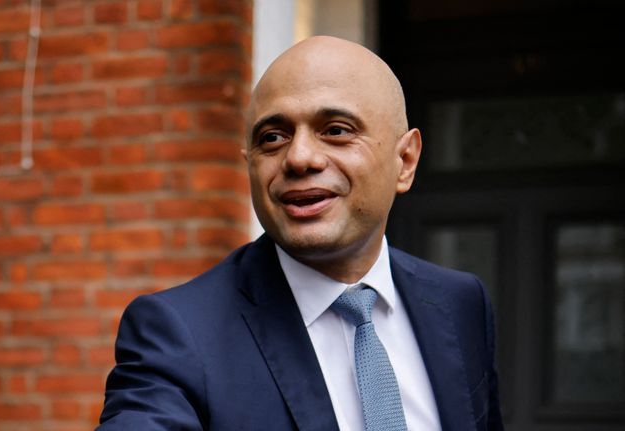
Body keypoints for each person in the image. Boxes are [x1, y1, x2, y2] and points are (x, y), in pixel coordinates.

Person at [97, 36, 503, 431]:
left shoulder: (460, 303)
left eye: (336, 130)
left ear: (405, 161)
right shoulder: (178, 333)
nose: (299, 158)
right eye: (272, 138)